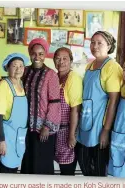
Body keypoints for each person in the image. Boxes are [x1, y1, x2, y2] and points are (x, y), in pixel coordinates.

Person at [76, 31, 123, 176]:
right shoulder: (89, 66)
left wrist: (106, 131)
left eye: (99, 43)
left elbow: (114, 101)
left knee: (97, 171)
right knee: (84, 164)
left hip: (99, 125)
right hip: (85, 122)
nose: (94, 46)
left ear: (108, 46)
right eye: (92, 42)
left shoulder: (112, 67)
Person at [20, 38, 61, 175]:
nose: (37, 57)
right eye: (34, 53)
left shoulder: (51, 75)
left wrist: (47, 127)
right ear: (30, 53)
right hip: (26, 126)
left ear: (45, 55)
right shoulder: (24, 71)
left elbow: (55, 102)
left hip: (43, 129)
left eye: (41, 54)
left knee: (42, 163)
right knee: (28, 161)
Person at [0, 53, 29, 173]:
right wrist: (1, 141)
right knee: (5, 171)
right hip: (6, 136)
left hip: (18, 136)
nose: (18, 69)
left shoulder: (21, 85)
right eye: (14, 66)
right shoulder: (3, 86)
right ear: (7, 68)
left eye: (21, 66)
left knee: (13, 170)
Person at [53, 47, 83, 175]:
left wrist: (71, 135)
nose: (61, 61)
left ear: (71, 61)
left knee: (67, 171)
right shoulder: (54, 77)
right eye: (58, 58)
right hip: (55, 131)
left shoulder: (73, 78)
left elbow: (75, 110)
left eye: (65, 58)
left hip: (67, 131)